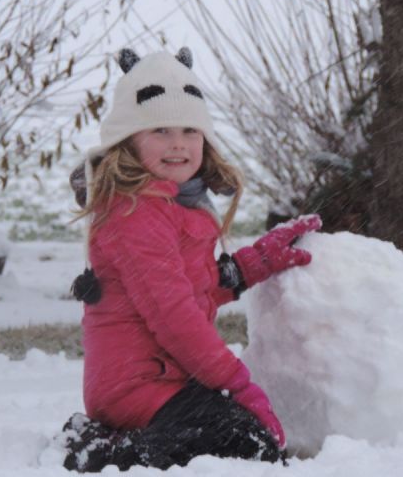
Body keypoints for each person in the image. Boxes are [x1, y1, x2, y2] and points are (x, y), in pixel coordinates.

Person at [60, 47, 321, 472]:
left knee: (243, 438)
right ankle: (106, 454)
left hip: (166, 377)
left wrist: (252, 264)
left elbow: (189, 285)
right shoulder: (133, 213)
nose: (178, 142)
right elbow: (174, 315)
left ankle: (121, 441)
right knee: (246, 444)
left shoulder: (173, 204)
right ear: (127, 140)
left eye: (190, 130)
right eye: (159, 129)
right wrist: (239, 384)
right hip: (135, 386)